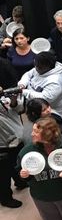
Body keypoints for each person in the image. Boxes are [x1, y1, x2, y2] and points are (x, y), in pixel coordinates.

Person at [18, 51, 62, 117]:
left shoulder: (56, 81)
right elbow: (28, 74)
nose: (36, 68)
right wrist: (22, 84)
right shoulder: (40, 68)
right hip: (40, 107)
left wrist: (24, 92)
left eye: (39, 67)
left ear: (47, 67)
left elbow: (44, 98)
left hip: (56, 112)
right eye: (35, 65)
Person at [0, 76, 24, 208]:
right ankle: (5, 198)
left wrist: (14, 99)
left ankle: (20, 181)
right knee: (3, 173)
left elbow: (18, 109)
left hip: (16, 139)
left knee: (17, 162)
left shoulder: (4, 98)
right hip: (2, 144)